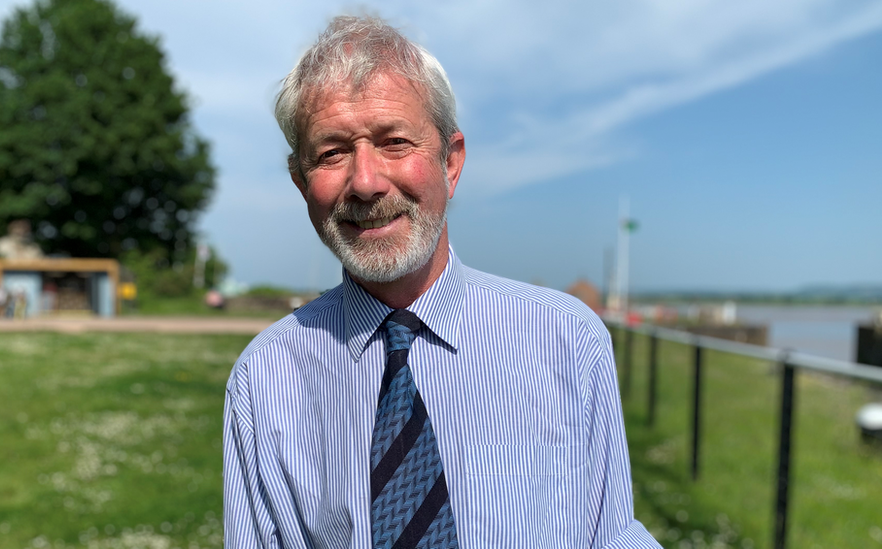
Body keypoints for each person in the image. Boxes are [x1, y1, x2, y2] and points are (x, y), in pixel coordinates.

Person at [223, 15, 661, 549]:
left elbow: (609, 534)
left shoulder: (567, 341)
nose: (365, 182)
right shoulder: (265, 380)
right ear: (300, 182)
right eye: (333, 152)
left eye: (395, 142)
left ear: (450, 163)